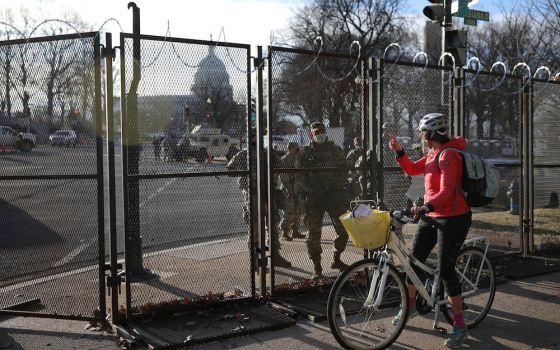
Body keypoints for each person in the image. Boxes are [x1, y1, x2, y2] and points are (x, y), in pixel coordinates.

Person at [389, 113, 472, 349]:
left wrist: (426, 205)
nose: (421, 137)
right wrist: (399, 150)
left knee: (446, 270)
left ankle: (459, 326)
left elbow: (447, 192)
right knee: (413, 263)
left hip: (454, 218)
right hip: (433, 214)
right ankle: (411, 307)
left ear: (431, 134)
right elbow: (413, 169)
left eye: (423, 133)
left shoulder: (450, 155)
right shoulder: (433, 154)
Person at [226, 128, 291, 268]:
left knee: (273, 226)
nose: (259, 138)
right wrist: (244, 175)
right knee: (255, 227)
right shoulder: (244, 155)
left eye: (260, 136)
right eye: (255, 136)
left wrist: (274, 160)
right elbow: (230, 169)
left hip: (268, 193)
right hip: (253, 194)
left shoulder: (268, 153)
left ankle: (274, 255)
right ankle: (254, 258)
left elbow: (282, 167)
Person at [296, 122, 350, 280]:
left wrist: (337, 185)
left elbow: (344, 170)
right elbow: (301, 178)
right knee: (314, 235)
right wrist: (310, 191)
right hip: (314, 198)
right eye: (316, 132)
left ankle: (336, 259)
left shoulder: (336, 150)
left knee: (344, 230)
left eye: (322, 131)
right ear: (311, 134)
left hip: (335, 196)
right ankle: (317, 268)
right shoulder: (305, 153)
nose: (320, 134)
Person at [279, 142, 306, 241]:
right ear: (290, 148)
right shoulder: (284, 159)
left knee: (298, 211)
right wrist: (289, 189)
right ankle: (285, 232)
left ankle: (295, 231)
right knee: (289, 211)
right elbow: (283, 176)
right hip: (288, 188)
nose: (297, 150)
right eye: (296, 148)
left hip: (298, 188)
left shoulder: (298, 158)